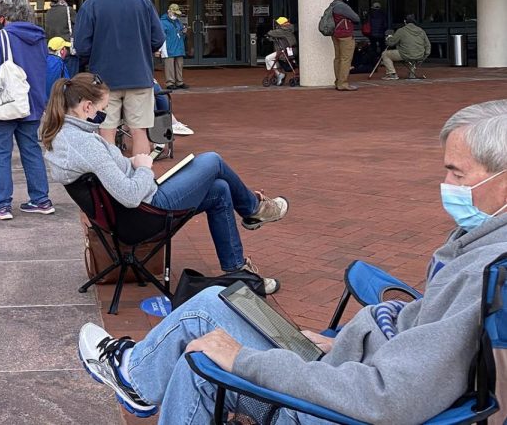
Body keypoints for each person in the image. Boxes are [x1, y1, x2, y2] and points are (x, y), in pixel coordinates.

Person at [79, 99, 507, 423]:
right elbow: (425, 334)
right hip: (351, 364)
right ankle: (136, 373)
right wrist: (342, 341)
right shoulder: (482, 243)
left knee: (201, 358)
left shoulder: (483, 270)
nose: (445, 184)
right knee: (213, 304)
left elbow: (388, 396)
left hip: (336, 406)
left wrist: (244, 360)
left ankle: (135, 375)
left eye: (457, 173)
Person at [40, 73, 288, 295]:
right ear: (86, 106)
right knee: (212, 161)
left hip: (132, 212)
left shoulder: (67, 136)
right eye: (102, 110)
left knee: (220, 190)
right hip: (143, 213)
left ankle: (239, 272)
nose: (103, 117)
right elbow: (129, 196)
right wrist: (144, 168)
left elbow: (115, 179)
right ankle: (254, 210)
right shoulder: (84, 144)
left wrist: (134, 165)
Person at [73, 0, 165, 157]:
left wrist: (94, 57)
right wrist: (142, 52)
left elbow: (81, 46)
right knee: (139, 132)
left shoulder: (91, 5)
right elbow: (158, 38)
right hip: (139, 75)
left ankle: (112, 182)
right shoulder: (143, 1)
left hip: (103, 79)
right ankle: (143, 180)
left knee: (107, 131)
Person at [0, 0, 53, 221]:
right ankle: (41, 199)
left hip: (6, 104)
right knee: (31, 150)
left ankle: (1, 205)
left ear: (4, 15)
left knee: (0, 153)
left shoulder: (2, 37)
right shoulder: (40, 37)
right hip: (32, 102)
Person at [329, 0, 361, 91]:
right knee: (345, 59)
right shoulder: (342, 6)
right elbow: (356, 18)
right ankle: (343, 83)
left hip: (335, 35)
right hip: (345, 35)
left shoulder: (332, 5)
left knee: (338, 58)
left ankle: (338, 81)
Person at [381, 14, 432, 80]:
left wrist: (388, 38)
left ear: (405, 22)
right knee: (413, 57)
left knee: (385, 54)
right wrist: (425, 55)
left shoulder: (401, 30)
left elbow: (391, 43)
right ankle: (412, 74)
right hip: (419, 55)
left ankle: (392, 74)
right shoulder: (421, 31)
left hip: (406, 54)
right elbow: (428, 44)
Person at [44, 0, 79, 77]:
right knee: (71, 81)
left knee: (57, 81)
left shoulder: (48, 13)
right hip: (67, 50)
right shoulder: (69, 10)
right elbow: (79, 27)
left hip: (53, 51)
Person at [159, 4, 188, 90]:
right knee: (169, 66)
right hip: (169, 47)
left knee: (179, 65)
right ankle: (170, 83)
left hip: (178, 46)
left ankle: (179, 82)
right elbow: (160, 35)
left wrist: (183, 31)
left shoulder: (177, 21)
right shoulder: (162, 22)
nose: (176, 15)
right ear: (169, 11)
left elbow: (180, 32)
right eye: (174, 13)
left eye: (176, 13)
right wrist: (159, 49)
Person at [264, 16, 297, 87]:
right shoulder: (289, 29)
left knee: (268, 58)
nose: (277, 25)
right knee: (274, 60)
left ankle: (279, 74)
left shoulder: (283, 30)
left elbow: (270, 33)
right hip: (291, 51)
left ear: (281, 24)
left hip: (284, 52)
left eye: (278, 24)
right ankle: (278, 73)